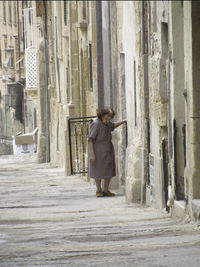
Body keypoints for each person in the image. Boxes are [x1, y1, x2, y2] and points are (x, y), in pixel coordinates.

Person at [88, 107, 127, 197]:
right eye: (106, 119)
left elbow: (113, 126)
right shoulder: (96, 123)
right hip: (97, 149)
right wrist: (92, 154)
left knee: (108, 169)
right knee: (97, 169)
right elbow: (90, 139)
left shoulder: (108, 123)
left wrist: (123, 121)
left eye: (109, 119)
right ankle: (99, 190)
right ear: (101, 116)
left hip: (107, 148)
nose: (107, 121)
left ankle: (106, 189)